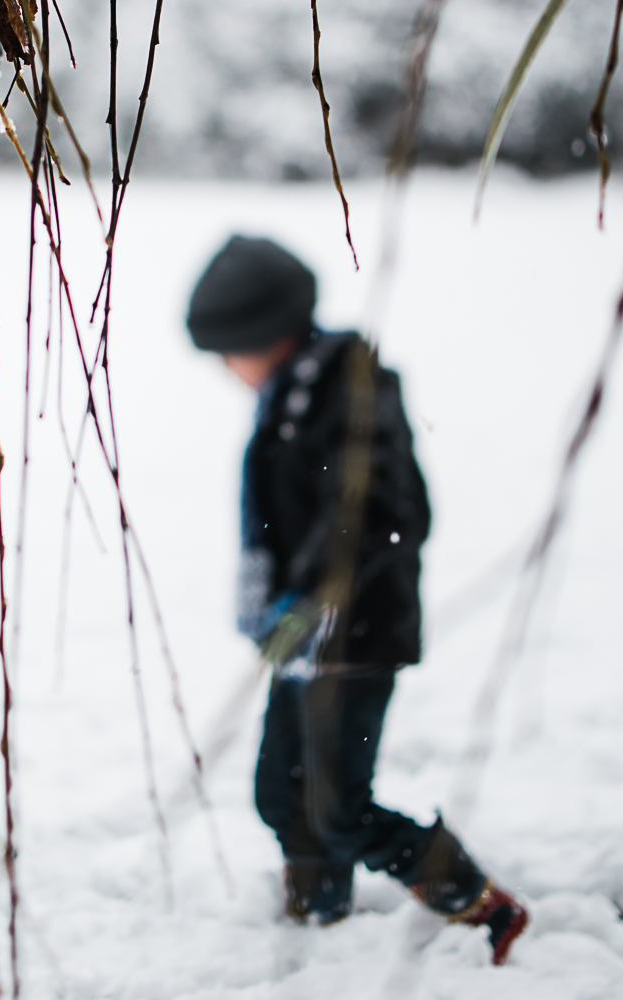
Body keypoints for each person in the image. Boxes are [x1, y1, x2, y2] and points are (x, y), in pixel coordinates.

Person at [186, 235, 528, 965]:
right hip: (300, 637)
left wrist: (314, 596)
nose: (226, 371)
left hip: (357, 637)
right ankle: (317, 911)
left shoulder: (355, 392)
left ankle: (478, 901)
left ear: (267, 336)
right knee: (282, 795)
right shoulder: (292, 395)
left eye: (229, 353)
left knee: (339, 810)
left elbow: (381, 513)